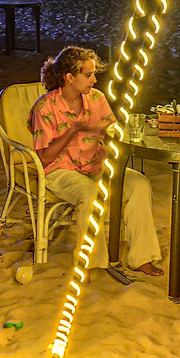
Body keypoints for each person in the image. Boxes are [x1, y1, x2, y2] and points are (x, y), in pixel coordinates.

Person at [28, 46, 163, 276]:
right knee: (90, 194)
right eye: (88, 75)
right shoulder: (45, 107)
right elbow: (44, 157)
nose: (94, 80)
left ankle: (142, 258)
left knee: (139, 184)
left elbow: (112, 131)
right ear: (69, 77)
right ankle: (89, 264)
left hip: (96, 164)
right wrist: (73, 130)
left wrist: (123, 135)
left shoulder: (97, 99)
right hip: (60, 170)